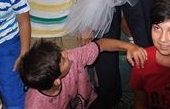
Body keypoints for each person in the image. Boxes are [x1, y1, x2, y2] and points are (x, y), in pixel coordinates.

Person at [19, 38, 147, 109]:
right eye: (62, 60)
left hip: (91, 102)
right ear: (56, 81)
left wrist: (129, 47)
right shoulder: (35, 105)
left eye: (60, 53)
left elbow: (101, 45)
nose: (65, 54)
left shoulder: (72, 57)